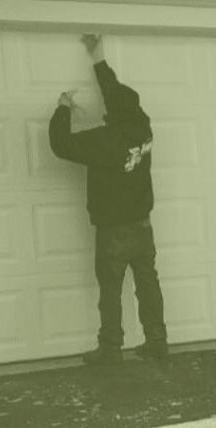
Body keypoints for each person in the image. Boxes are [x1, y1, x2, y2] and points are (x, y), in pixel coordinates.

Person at [48, 34, 168, 364]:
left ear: (112, 113)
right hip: (143, 228)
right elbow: (116, 95)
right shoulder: (144, 127)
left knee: (111, 290)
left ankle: (111, 348)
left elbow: (62, 145)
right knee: (148, 284)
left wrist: (62, 107)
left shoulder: (105, 141)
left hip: (114, 231)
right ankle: (157, 340)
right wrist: (98, 58)